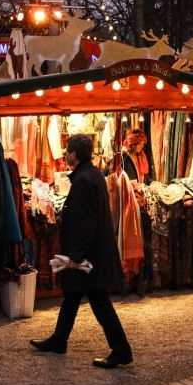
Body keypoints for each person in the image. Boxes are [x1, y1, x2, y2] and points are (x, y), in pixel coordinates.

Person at [30, 134, 133, 369]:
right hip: (90, 253)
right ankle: (59, 340)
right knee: (72, 295)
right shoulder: (91, 175)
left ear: (74, 154)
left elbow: (85, 222)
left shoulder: (85, 180)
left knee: (99, 302)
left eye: (68, 151)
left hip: (88, 256)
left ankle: (121, 350)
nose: (66, 154)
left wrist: (75, 257)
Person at [122, 129, 153, 295]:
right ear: (135, 143)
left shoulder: (140, 157)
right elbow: (129, 181)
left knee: (145, 243)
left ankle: (144, 280)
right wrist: (139, 189)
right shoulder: (125, 157)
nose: (143, 146)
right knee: (136, 242)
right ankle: (134, 279)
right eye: (141, 143)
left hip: (140, 202)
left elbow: (143, 179)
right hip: (130, 204)